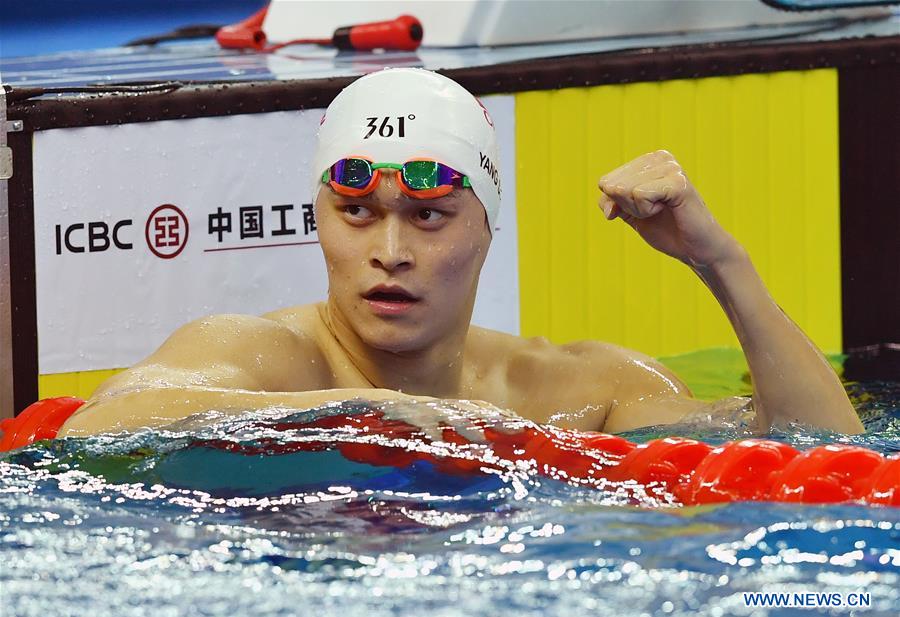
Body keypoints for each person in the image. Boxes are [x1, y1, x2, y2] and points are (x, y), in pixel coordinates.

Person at [58, 68, 863, 439]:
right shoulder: (265, 357)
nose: (391, 250)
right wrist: (357, 415)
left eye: (431, 216)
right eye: (356, 214)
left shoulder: (580, 390)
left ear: (487, 227)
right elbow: (102, 424)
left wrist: (719, 261)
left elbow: (823, 451)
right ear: (320, 220)